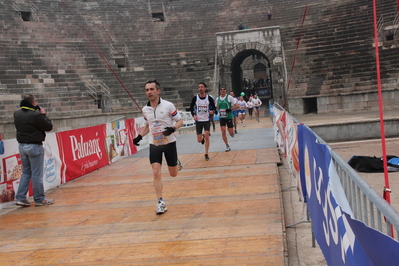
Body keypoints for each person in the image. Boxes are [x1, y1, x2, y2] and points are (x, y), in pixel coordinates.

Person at [133, 80, 183, 214]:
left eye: (151, 89)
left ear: (158, 91)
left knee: (173, 174)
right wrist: (139, 136)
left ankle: (176, 162)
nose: (149, 92)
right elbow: (148, 126)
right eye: (147, 90)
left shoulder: (168, 105)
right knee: (156, 172)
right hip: (154, 144)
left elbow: (180, 121)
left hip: (169, 143)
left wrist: (172, 129)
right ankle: (160, 202)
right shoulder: (145, 109)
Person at [14, 94, 54, 207]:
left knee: (26, 172)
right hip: (34, 146)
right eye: (35, 101)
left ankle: (21, 197)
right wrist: (43, 115)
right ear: (33, 103)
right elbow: (48, 126)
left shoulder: (17, 114)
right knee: (37, 174)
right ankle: (40, 199)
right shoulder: (36, 115)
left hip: (22, 145)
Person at [189, 82, 216, 161]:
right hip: (198, 120)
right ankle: (202, 137)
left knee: (207, 136)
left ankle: (206, 153)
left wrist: (212, 111)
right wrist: (194, 115)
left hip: (206, 119)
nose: (200, 88)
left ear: (205, 88)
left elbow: (214, 107)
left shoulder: (209, 98)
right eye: (199, 87)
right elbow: (191, 108)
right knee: (199, 140)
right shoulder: (195, 98)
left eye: (202, 87)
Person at [215, 85, 238, 152]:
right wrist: (214, 110)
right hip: (222, 117)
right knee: (223, 131)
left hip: (229, 116)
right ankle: (227, 145)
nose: (222, 90)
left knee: (231, 133)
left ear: (226, 90)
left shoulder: (229, 97)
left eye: (224, 89)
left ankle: (231, 131)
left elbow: (236, 105)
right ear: (220, 91)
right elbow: (215, 106)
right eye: (221, 89)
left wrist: (230, 109)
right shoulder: (217, 99)